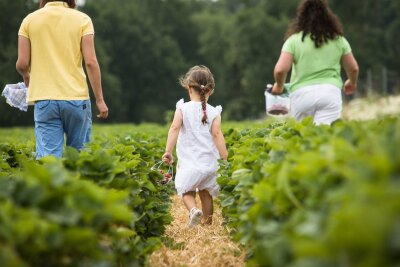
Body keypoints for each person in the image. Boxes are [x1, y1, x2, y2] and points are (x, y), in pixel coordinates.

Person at [16, 0, 108, 159]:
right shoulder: (82, 19)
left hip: (45, 99)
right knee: (79, 158)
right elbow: (91, 62)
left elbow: (22, 63)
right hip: (77, 99)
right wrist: (99, 99)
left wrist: (27, 76)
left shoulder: (29, 20)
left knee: (49, 161)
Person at [272, 0, 359, 125]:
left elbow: (280, 70)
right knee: (325, 138)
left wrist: (279, 86)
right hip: (329, 93)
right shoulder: (339, 40)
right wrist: (352, 82)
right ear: (328, 17)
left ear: (301, 18)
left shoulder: (293, 41)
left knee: (304, 138)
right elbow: (353, 68)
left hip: (301, 96)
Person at [162, 65, 228, 228]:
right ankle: (207, 224)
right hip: (209, 164)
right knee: (206, 193)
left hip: (189, 163)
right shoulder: (214, 112)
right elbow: (217, 134)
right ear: (210, 90)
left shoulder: (182, 109)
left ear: (189, 88)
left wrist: (168, 151)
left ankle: (193, 210)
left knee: (186, 191)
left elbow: (174, 128)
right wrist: (225, 157)